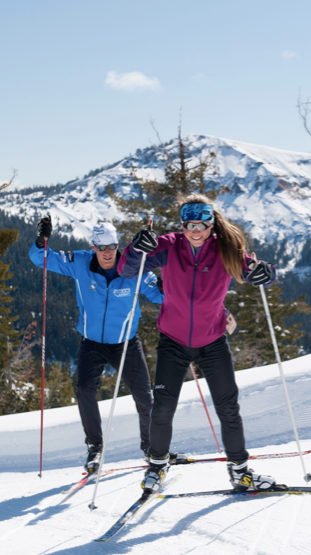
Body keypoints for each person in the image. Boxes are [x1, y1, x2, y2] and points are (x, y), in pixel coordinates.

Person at [119, 195, 280, 492]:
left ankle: (240, 471)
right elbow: (127, 270)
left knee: (228, 407)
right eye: (189, 224)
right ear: (182, 225)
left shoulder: (226, 249)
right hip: (173, 341)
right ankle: (157, 466)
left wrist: (266, 273)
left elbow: (257, 273)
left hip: (213, 340)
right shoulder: (168, 245)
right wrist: (134, 249)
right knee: (163, 408)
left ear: (211, 224)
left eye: (202, 224)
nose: (195, 231)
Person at [31, 217, 165, 475]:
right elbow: (42, 258)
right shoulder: (79, 262)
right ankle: (95, 447)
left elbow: (160, 294)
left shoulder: (134, 268)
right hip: (91, 343)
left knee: (145, 398)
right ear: (92, 247)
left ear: (118, 246)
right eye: (100, 247)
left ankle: (152, 448)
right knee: (84, 390)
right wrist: (41, 241)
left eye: (111, 247)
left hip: (126, 343)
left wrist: (169, 282)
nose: (106, 253)